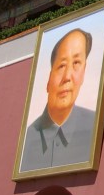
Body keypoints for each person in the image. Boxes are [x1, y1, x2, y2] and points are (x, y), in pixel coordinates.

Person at [20, 28, 96, 172]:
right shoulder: (27, 139)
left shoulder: (95, 124)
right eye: (61, 66)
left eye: (76, 63)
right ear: (49, 79)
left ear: (84, 72)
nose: (67, 77)